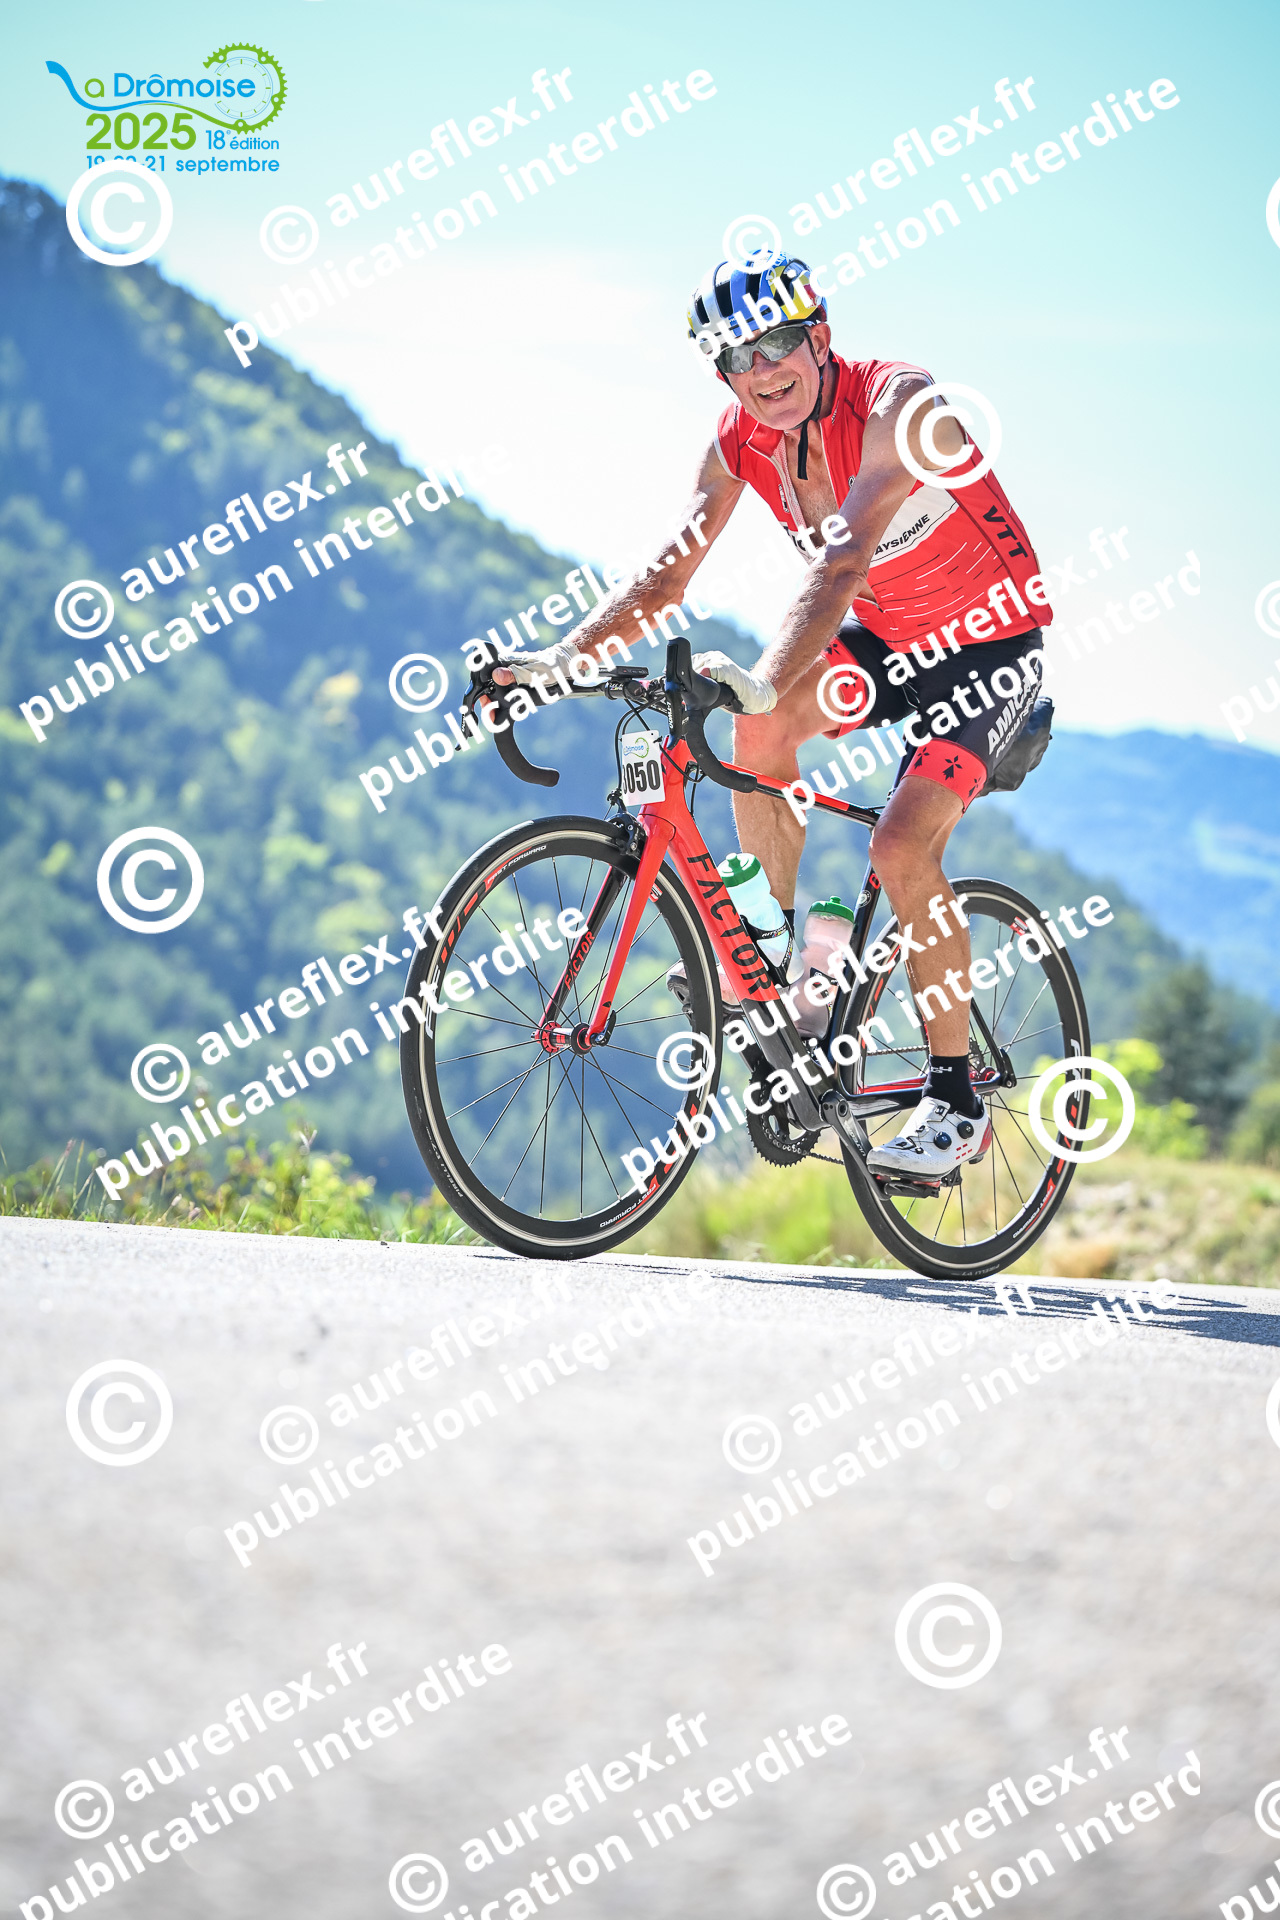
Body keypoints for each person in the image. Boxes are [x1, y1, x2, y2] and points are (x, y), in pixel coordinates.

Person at [491, 249, 1051, 1179]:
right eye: (734, 358)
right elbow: (666, 575)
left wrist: (762, 672)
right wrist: (556, 662)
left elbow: (842, 563)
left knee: (900, 847)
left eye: (777, 342)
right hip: (887, 642)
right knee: (760, 728)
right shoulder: (738, 441)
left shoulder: (900, 406)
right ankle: (779, 966)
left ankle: (955, 1101)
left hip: (988, 648)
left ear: (820, 336)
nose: (759, 371)